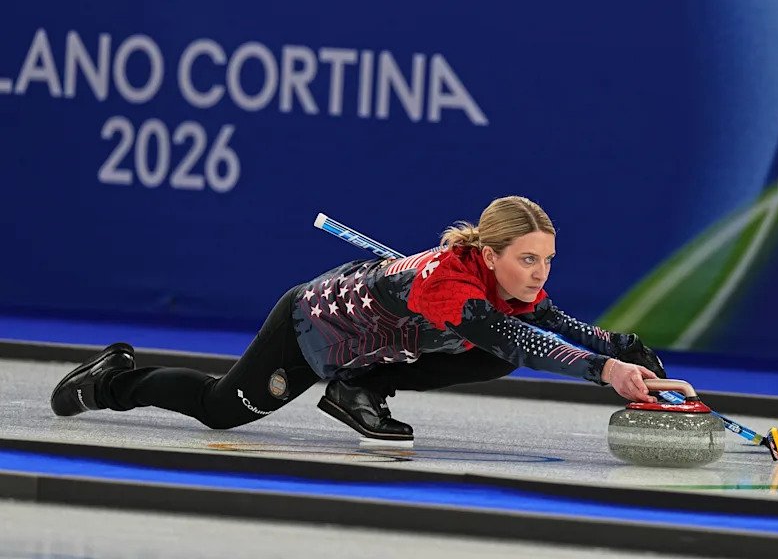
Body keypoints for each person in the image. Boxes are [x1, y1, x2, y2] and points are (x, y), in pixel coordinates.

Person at [50, 196, 667, 441]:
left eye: (547, 260)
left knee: (489, 356)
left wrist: (620, 344)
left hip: (372, 346)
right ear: (489, 255)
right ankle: (112, 380)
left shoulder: (506, 282)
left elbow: (550, 320)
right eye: (528, 259)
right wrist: (604, 371)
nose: (539, 273)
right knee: (220, 409)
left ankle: (359, 390)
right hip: (312, 331)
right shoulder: (449, 285)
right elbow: (519, 339)